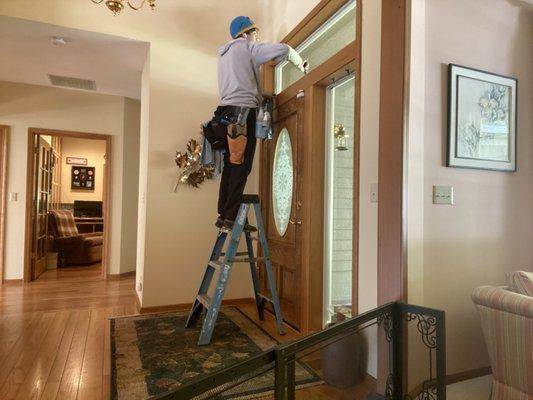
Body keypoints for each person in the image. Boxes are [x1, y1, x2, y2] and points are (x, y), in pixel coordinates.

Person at [215, 15, 308, 231]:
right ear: (245, 33)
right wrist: (300, 62)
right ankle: (231, 218)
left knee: (232, 165)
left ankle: (225, 214)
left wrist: (260, 94)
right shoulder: (246, 47)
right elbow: (283, 49)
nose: (257, 37)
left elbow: (239, 84)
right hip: (242, 113)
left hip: (226, 114)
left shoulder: (224, 55)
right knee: (242, 166)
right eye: (255, 33)